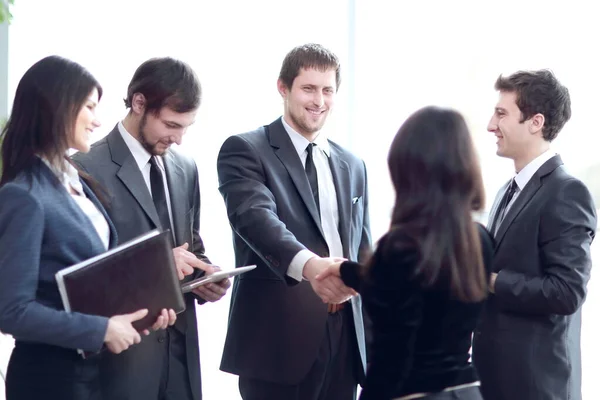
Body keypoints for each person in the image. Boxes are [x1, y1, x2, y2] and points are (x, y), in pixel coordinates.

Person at [0, 55, 173, 400]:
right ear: (58, 106)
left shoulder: (76, 180)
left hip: (93, 373)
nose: (96, 121)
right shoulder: (24, 196)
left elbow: (95, 275)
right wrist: (102, 328)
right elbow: (12, 311)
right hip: (49, 379)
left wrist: (142, 310)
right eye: (90, 108)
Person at [217, 43, 371, 400]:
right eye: (308, 88)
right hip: (278, 341)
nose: (319, 100)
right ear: (283, 88)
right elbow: (255, 218)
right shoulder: (245, 149)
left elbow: (363, 247)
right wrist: (312, 267)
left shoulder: (353, 164)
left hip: (345, 338)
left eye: (327, 90)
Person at [72, 57, 230, 400]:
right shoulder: (84, 169)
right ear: (139, 103)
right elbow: (82, 277)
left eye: (186, 127)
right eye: (172, 125)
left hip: (181, 361)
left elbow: (189, 245)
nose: (179, 139)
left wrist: (204, 276)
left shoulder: (185, 167)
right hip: (123, 363)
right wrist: (158, 265)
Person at [316, 106, 493, 400]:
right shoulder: (478, 239)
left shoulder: (401, 245)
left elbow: (391, 356)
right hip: (465, 391)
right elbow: (426, 289)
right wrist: (348, 271)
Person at [472, 70, 597, 400]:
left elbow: (567, 292)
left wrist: (493, 281)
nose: (490, 125)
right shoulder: (504, 192)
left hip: (535, 385)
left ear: (536, 121)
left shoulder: (567, 192)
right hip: (493, 380)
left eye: (501, 114)